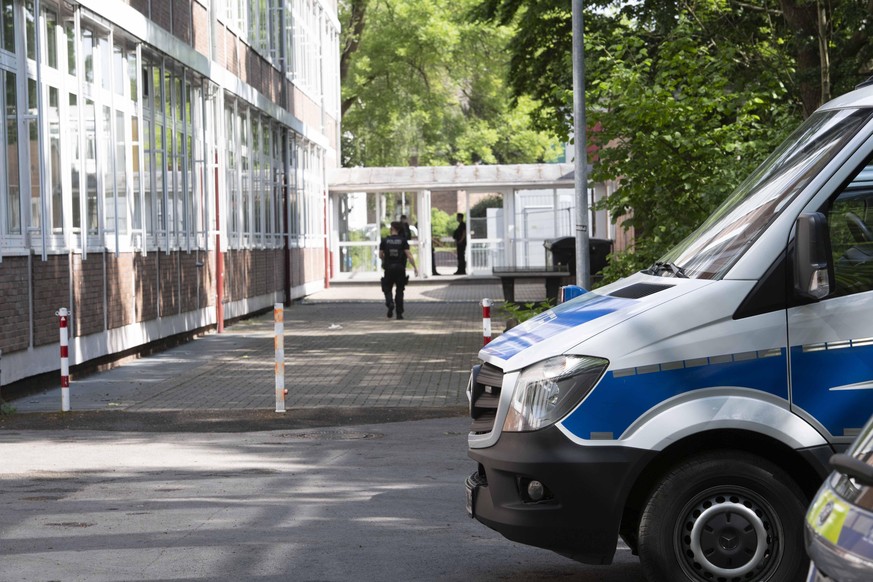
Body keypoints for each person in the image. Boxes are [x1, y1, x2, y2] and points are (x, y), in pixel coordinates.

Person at [380, 221, 418, 319]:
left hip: (389, 268)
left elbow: (380, 255)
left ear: (392, 228)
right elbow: (408, 255)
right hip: (400, 269)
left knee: (387, 288)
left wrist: (385, 260)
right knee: (400, 290)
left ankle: (390, 303)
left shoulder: (384, 240)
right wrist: (415, 267)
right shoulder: (403, 240)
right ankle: (399, 314)